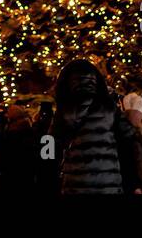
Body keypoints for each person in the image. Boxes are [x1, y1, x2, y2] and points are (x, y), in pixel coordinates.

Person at [51, 59, 130, 194]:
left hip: (75, 184)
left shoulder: (64, 110)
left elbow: (50, 143)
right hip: (108, 183)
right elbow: (128, 140)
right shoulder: (109, 108)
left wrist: (47, 167)